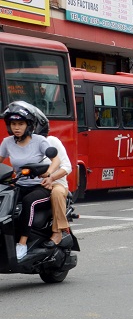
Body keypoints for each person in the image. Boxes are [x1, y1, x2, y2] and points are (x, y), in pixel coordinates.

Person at [0, 102, 60, 260]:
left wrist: (48, 173)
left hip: (39, 186)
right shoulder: (7, 142)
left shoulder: (39, 141)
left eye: (20, 124)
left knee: (28, 202)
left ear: (29, 125)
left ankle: (22, 244)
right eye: (13, 124)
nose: (16, 127)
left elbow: (56, 160)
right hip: (18, 185)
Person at [28, 104, 73, 248]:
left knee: (57, 193)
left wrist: (51, 178)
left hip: (56, 183)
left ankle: (58, 231)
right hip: (33, 184)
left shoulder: (52, 141)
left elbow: (67, 167)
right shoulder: (25, 145)